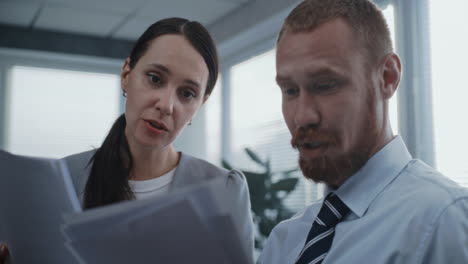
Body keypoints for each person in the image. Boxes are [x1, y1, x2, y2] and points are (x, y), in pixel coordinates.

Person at [0, 18, 254, 264]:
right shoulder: (58, 183)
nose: (166, 105)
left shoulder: (224, 189)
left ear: (200, 105)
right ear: (126, 75)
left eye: (187, 93)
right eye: (155, 78)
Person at [258, 0, 468, 263]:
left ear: (387, 77)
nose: (302, 116)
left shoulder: (443, 219)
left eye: (324, 85)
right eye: (290, 90)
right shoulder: (283, 241)